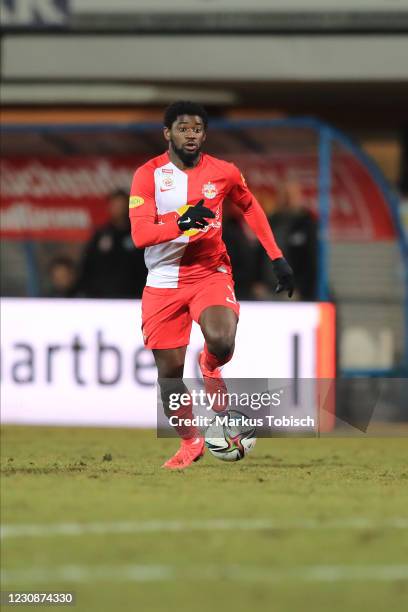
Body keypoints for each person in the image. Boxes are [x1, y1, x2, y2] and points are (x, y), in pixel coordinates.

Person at [129, 101, 294, 470]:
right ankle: (190, 442)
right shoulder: (147, 175)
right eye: (183, 128)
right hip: (163, 283)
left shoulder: (224, 172)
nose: (191, 134)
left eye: (198, 128)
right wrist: (182, 221)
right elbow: (141, 234)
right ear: (167, 133)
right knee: (169, 376)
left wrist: (277, 257)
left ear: (205, 134)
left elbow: (250, 206)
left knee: (221, 337)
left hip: (209, 272)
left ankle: (210, 364)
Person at [254, 181, 317, 301]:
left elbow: (311, 261)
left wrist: (302, 289)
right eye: (284, 195)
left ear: (299, 197)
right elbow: (259, 253)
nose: (288, 200)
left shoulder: (306, 225)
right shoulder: (270, 222)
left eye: (291, 196)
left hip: (292, 293)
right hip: (266, 291)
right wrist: (257, 281)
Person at [78, 189, 147, 298]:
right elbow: (88, 266)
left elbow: (145, 267)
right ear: (109, 207)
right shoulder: (101, 235)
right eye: (116, 205)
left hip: (132, 297)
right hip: (101, 297)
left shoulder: (138, 234)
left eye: (122, 205)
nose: (120, 209)